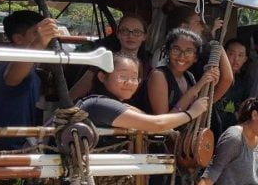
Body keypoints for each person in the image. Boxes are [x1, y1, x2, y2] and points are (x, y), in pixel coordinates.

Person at [0, 11, 62, 150]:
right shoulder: (12, 65)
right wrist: (39, 43)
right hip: (9, 149)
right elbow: (12, 78)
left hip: (15, 143)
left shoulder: (12, 62)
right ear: (18, 39)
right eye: (36, 33)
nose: (44, 37)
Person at [78, 53, 210, 133]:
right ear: (102, 77)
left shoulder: (117, 105)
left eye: (134, 78)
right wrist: (192, 113)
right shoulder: (99, 104)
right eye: (123, 76)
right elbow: (157, 124)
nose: (129, 82)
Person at [69, 14, 151, 101]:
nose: (130, 36)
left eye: (137, 32)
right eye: (125, 31)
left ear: (144, 36)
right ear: (118, 34)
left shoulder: (148, 67)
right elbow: (75, 94)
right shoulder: (104, 60)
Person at [141, 28, 220, 115]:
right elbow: (162, 120)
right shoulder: (158, 76)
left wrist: (209, 83)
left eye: (189, 51)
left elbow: (198, 110)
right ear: (167, 52)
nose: (182, 56)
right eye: (176, 50)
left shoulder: (189, 77)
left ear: (195, 57)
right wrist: (196, 88)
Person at [214, 38, 252, 132]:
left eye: (240, 55)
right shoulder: (215, 76)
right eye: (231, 54)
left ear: (245, 59)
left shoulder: (243, 82)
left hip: (231, 129)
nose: (236, 59)